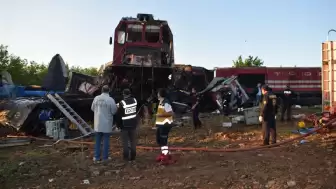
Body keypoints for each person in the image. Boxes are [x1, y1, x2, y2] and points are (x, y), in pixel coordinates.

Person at [91, 85, 118, 163]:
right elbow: (114, 111)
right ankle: (105, 158)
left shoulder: (96, 98)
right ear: (109, 91)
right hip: (106, 123)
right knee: (106, 140)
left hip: (98, 123)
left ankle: (96, 157)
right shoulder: (110, 100)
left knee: (98, 140)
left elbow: (92, 108)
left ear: (101, 91)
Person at [117, 89, 138, 162]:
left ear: (123, 94)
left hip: (124, 125)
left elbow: (119, 115)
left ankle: (126, 156)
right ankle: (133, 156)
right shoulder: (135, 100)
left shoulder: (122, 103)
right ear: (130, 94)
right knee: (133, 141)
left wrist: (118, 125)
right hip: (133, 124)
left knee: (125, 142)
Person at [155, 88, 175, 164]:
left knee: (163, 141)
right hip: (160, 125)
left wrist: (161, 115)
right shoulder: (161, 102)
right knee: (159, 139)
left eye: (158, 93)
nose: (157, 94)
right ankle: (165, 153)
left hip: (165, 125)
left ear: (160, 94)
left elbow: (171, 113)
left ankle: (165, 155)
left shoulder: (166, 103)